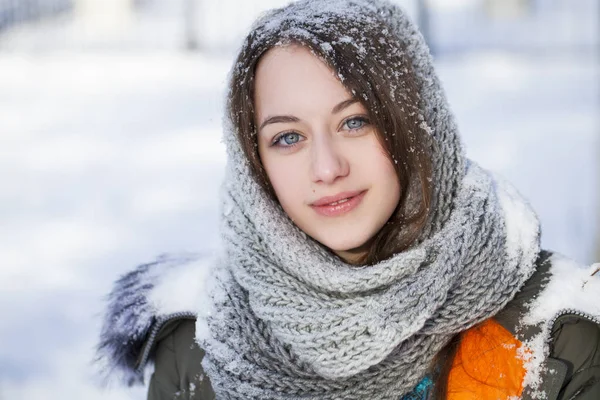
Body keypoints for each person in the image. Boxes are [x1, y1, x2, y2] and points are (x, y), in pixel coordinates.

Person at [96, 0, 600, 399]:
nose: (327, 168)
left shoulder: (560, 333)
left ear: (417, 129)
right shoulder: (199, 344)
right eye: (287, 137)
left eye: (355, 122)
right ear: (254, 164)